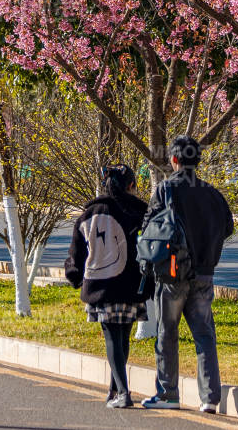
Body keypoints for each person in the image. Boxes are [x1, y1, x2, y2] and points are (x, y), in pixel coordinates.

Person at [141, 134, 234, 414]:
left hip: (172, 274)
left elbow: (149, 228)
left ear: (174, 160)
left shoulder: (166, 189)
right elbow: (227, 227)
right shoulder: (213, 194)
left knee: (166, 332)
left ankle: (168, 393)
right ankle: (210, 398)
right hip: (205, 274)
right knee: (204, 335)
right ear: (198, 161)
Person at [64, 163, 151, 409]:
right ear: (131, 185)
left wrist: (74, 276)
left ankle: (122, 393)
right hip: (134, 285)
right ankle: (115, 390)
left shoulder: (88, 214)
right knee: (122, 337)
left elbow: (76, 254)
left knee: (112, 336)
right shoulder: (140, 211)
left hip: (102, 284)